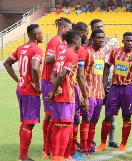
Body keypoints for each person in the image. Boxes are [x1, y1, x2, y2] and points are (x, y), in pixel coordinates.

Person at [95, 32, 132, 153]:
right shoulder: (115, 52)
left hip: (128, 89)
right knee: (108, 115)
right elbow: (107, 66)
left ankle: (123, 144)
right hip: (114, 88)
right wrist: (104, 82)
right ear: (123, 41)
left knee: (126, 116)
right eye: (128, 40)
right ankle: (102, 143)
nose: (130, 43)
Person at [3, 24, 43, 161]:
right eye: (41, 34)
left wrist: (18, 80)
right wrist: (38, 86)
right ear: (36, 36)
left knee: (25, 122)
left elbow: (7, 63)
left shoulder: (22, 48)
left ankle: (23, 155)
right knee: (29, 123)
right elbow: (35, 67)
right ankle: (23, 157)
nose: (43, 36)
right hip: (30, 91)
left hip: (21, 88)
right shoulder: (37, 50)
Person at [45, 30, 81, 161]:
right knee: (65, 127)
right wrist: (56, 90)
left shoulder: (60, 53)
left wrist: (55, 89)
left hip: (58, 96)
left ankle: (56, 155)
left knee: (56, 125)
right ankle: (59, 157)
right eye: (80, 41)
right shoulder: (73, 55)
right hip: (67, 96)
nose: (80, 44)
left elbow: (53, 74)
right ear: (75, 41)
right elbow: (61, 75)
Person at [41, 17, 72, 159]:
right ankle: (46, 149)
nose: (71, 32)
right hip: (49, 81)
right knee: (50, 116)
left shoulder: (62, 43)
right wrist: (62, 55)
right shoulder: (55, 41)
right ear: (63, 29)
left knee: (54, 118)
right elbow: (47, 59)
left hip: (53, 81)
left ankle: (50, 148)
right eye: (69, 29)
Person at [89, 19, 119, 149]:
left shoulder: (112, 42)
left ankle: (111, 140)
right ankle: (92, 140)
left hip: (109, 82)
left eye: (102, 26)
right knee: (92, 113)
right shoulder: (88, 44)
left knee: (110, 112)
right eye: (97, 27)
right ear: (92, 30)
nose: (101, 28)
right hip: (94, 83)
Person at [64, 22, 90, 161]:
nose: (87, 35)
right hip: (72, 89)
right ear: (81, 34)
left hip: (62, 88)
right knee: (73, 121)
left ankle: (56, 152)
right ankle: (71, 152)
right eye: (86, 33)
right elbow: (80, 76)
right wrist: (85, 97)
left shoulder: (63, 47)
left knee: (63, 122)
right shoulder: (81, 51)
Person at [80, 28, 105, 157]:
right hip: (88, 92)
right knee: (86, 119)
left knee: (94, 120)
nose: (101, 40)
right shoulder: (86, 52)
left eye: (103, 37)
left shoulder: (102, 53)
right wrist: (82, 94)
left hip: (99, 93)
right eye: (98, 37)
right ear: (92, 39)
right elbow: (81, 74)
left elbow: (101, 73)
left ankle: (90, 146)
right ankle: (84, 148)